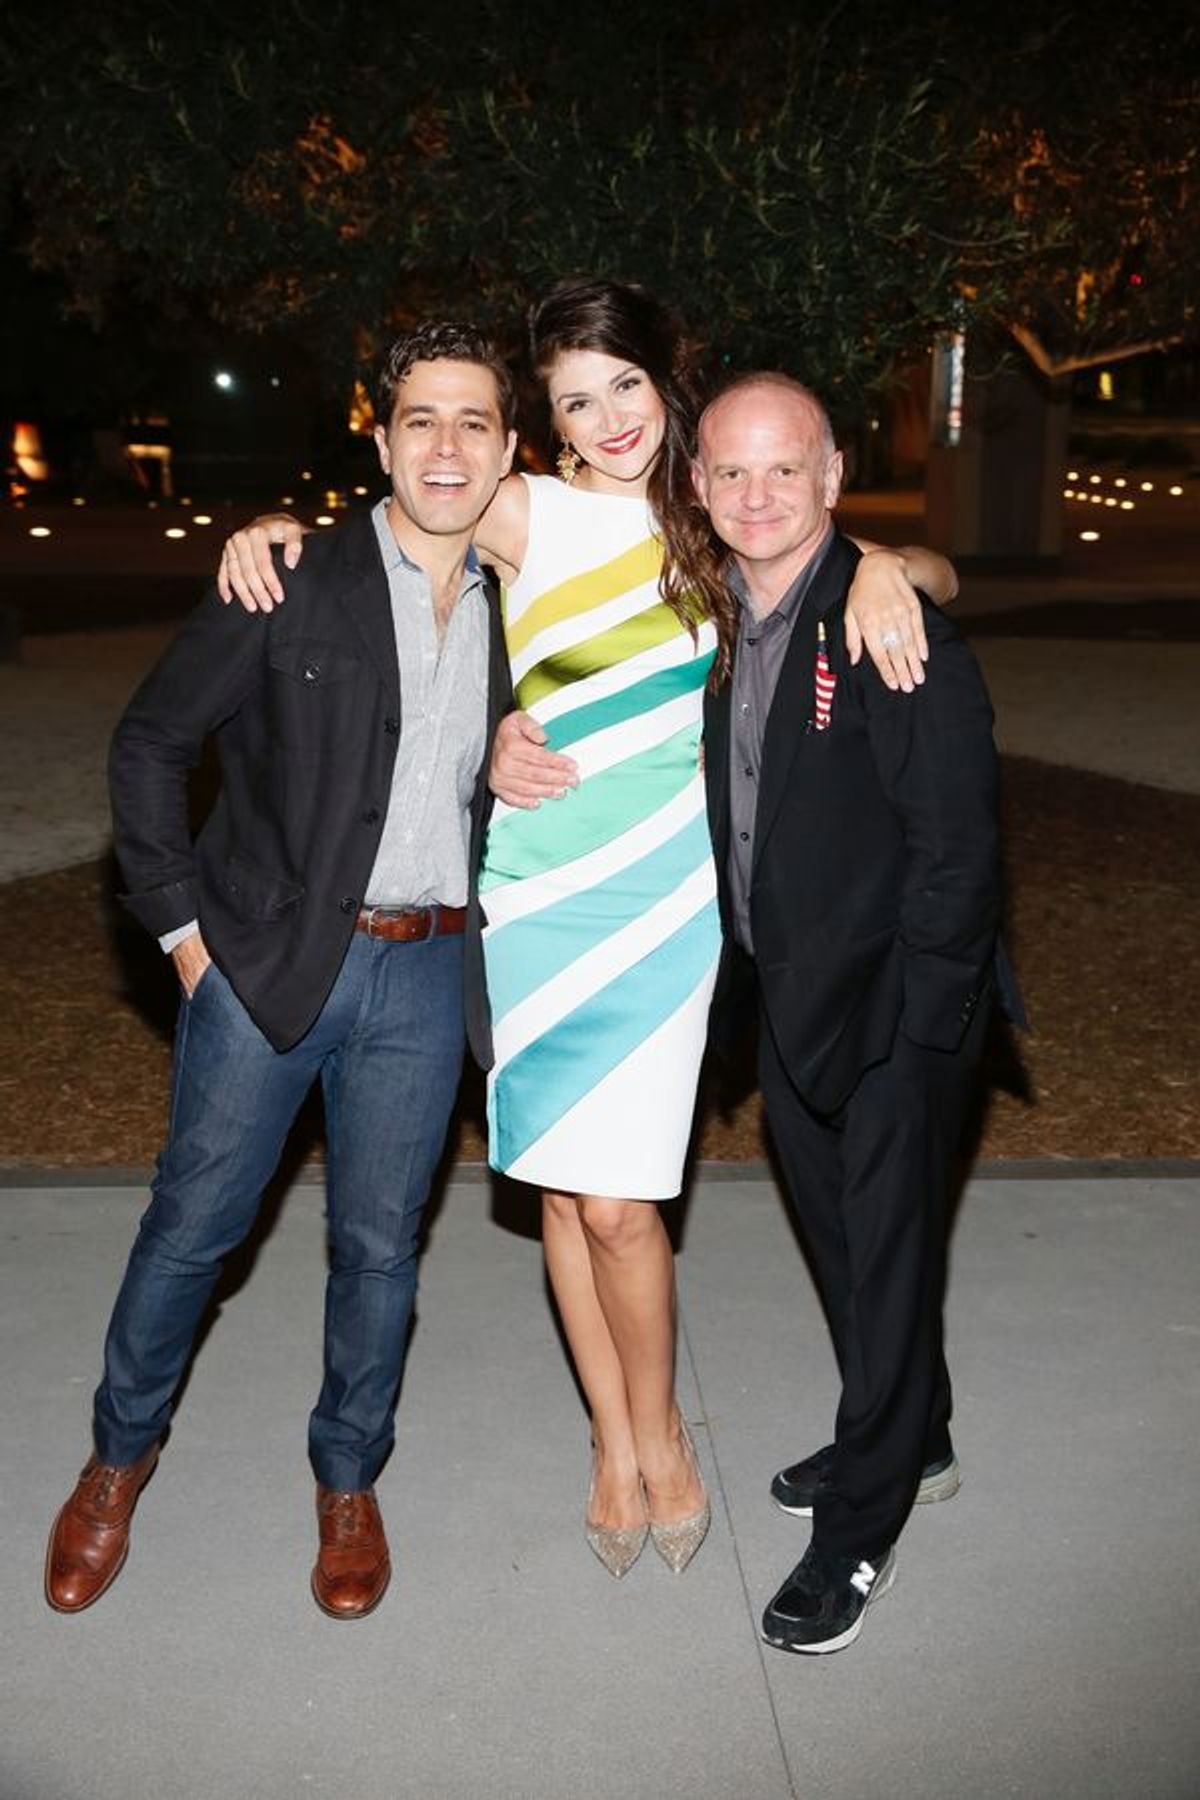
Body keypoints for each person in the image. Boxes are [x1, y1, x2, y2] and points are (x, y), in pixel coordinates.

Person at [218, 278, 957, 1579]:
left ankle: (664, 1425)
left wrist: (900, 564)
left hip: (667, 907)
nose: (608, 417)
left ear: (662, 385)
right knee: (564, 1188)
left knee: (622, 1206)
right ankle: (616, 1442)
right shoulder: (526, 511)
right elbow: (403, 507)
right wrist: (278, 526)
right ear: (546, 428)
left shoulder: (719, 522)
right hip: (539, 898)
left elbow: (879, 565)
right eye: (574, 400)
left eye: (624, 386)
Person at [44, 323, 517, 1620]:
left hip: (427, 976)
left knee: (379, 1250)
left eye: (475, 421)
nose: (447, 445)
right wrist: (185, 939)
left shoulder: (530, 603)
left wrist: (899, 568)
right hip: (261, 967)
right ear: (380, 439)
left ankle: (349, 1479)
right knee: (193, 1229)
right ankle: (115, 1462)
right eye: (422, 417)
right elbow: (149, 744)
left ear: (511, 450)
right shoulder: (291, 576)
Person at [690, 372, 1022, 1653]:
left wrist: (927, 1031)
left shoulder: (891, 624)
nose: (758, 495)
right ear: (702, 486)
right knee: (835, 1232)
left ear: (833, 480)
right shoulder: (713, 615)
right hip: (788, 989)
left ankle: (862, 1525)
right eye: (731, 471)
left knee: (885, 1259)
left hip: (896, 1006)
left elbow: (958, 849)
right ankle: (913, 1427)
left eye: (787, 470)